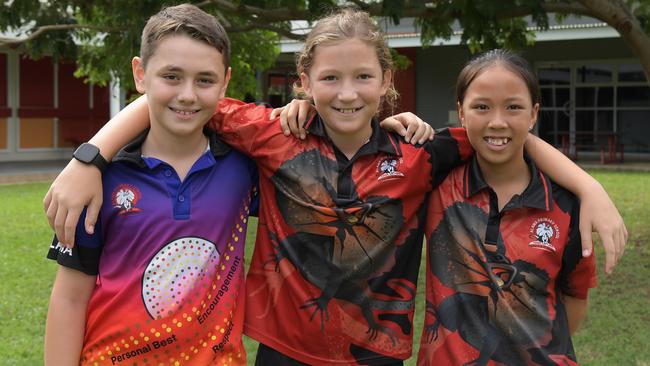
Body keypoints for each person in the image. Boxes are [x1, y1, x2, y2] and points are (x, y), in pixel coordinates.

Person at [44, 8, 626, 365]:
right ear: (304, 81)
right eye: (329, 78)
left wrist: (588, 187)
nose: (347, 94)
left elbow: (501, 129)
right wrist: (90, 157)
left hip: (376, 352)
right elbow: (175, 97)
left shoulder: (420, 152)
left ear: (386, 81)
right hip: (281, 347)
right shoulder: (271, 133)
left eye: (363, 77)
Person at [44, 4, 258, 365]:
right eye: (171, 77)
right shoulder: (96, 180)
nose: (187, 94)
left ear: (225, 82)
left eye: (204, 80)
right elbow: (69, 298)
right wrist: (90, 160)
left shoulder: (246, 168)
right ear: (140, 75)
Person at [418, 49, 597, 365]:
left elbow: (575, 302)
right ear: (461, 112)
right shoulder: (434, 182)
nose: (497, 122)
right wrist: (304, 106)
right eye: (482, 107)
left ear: (533, 113)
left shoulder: (567, 205)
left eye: (514, 107)